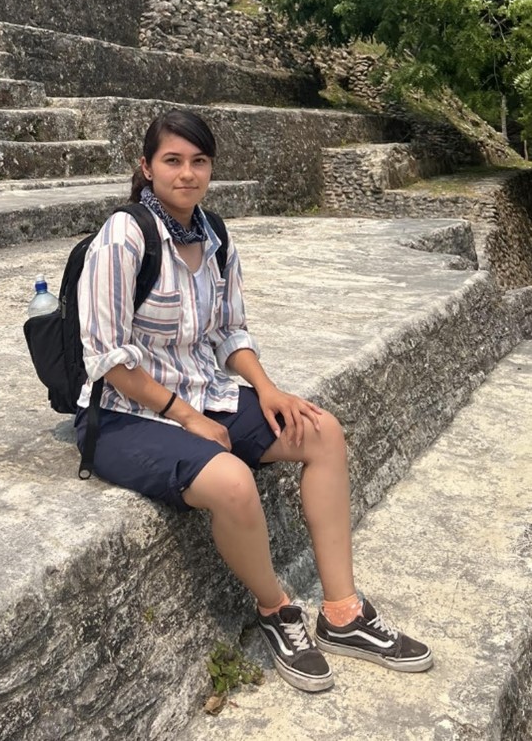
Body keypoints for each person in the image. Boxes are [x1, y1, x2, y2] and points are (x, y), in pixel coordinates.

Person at [75, 109, 432, 692]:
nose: (186, 174)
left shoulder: (212, 234)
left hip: (202, 392)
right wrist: (187, 418)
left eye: (198, 162)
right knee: (232, 480)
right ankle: (276, 609)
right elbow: (109, 360)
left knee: (322, 431)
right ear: (146, 167)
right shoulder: (124, 235)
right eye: (172, 161)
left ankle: (342, 613)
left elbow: (229, 332)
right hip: (124, 413)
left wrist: (266, 389)